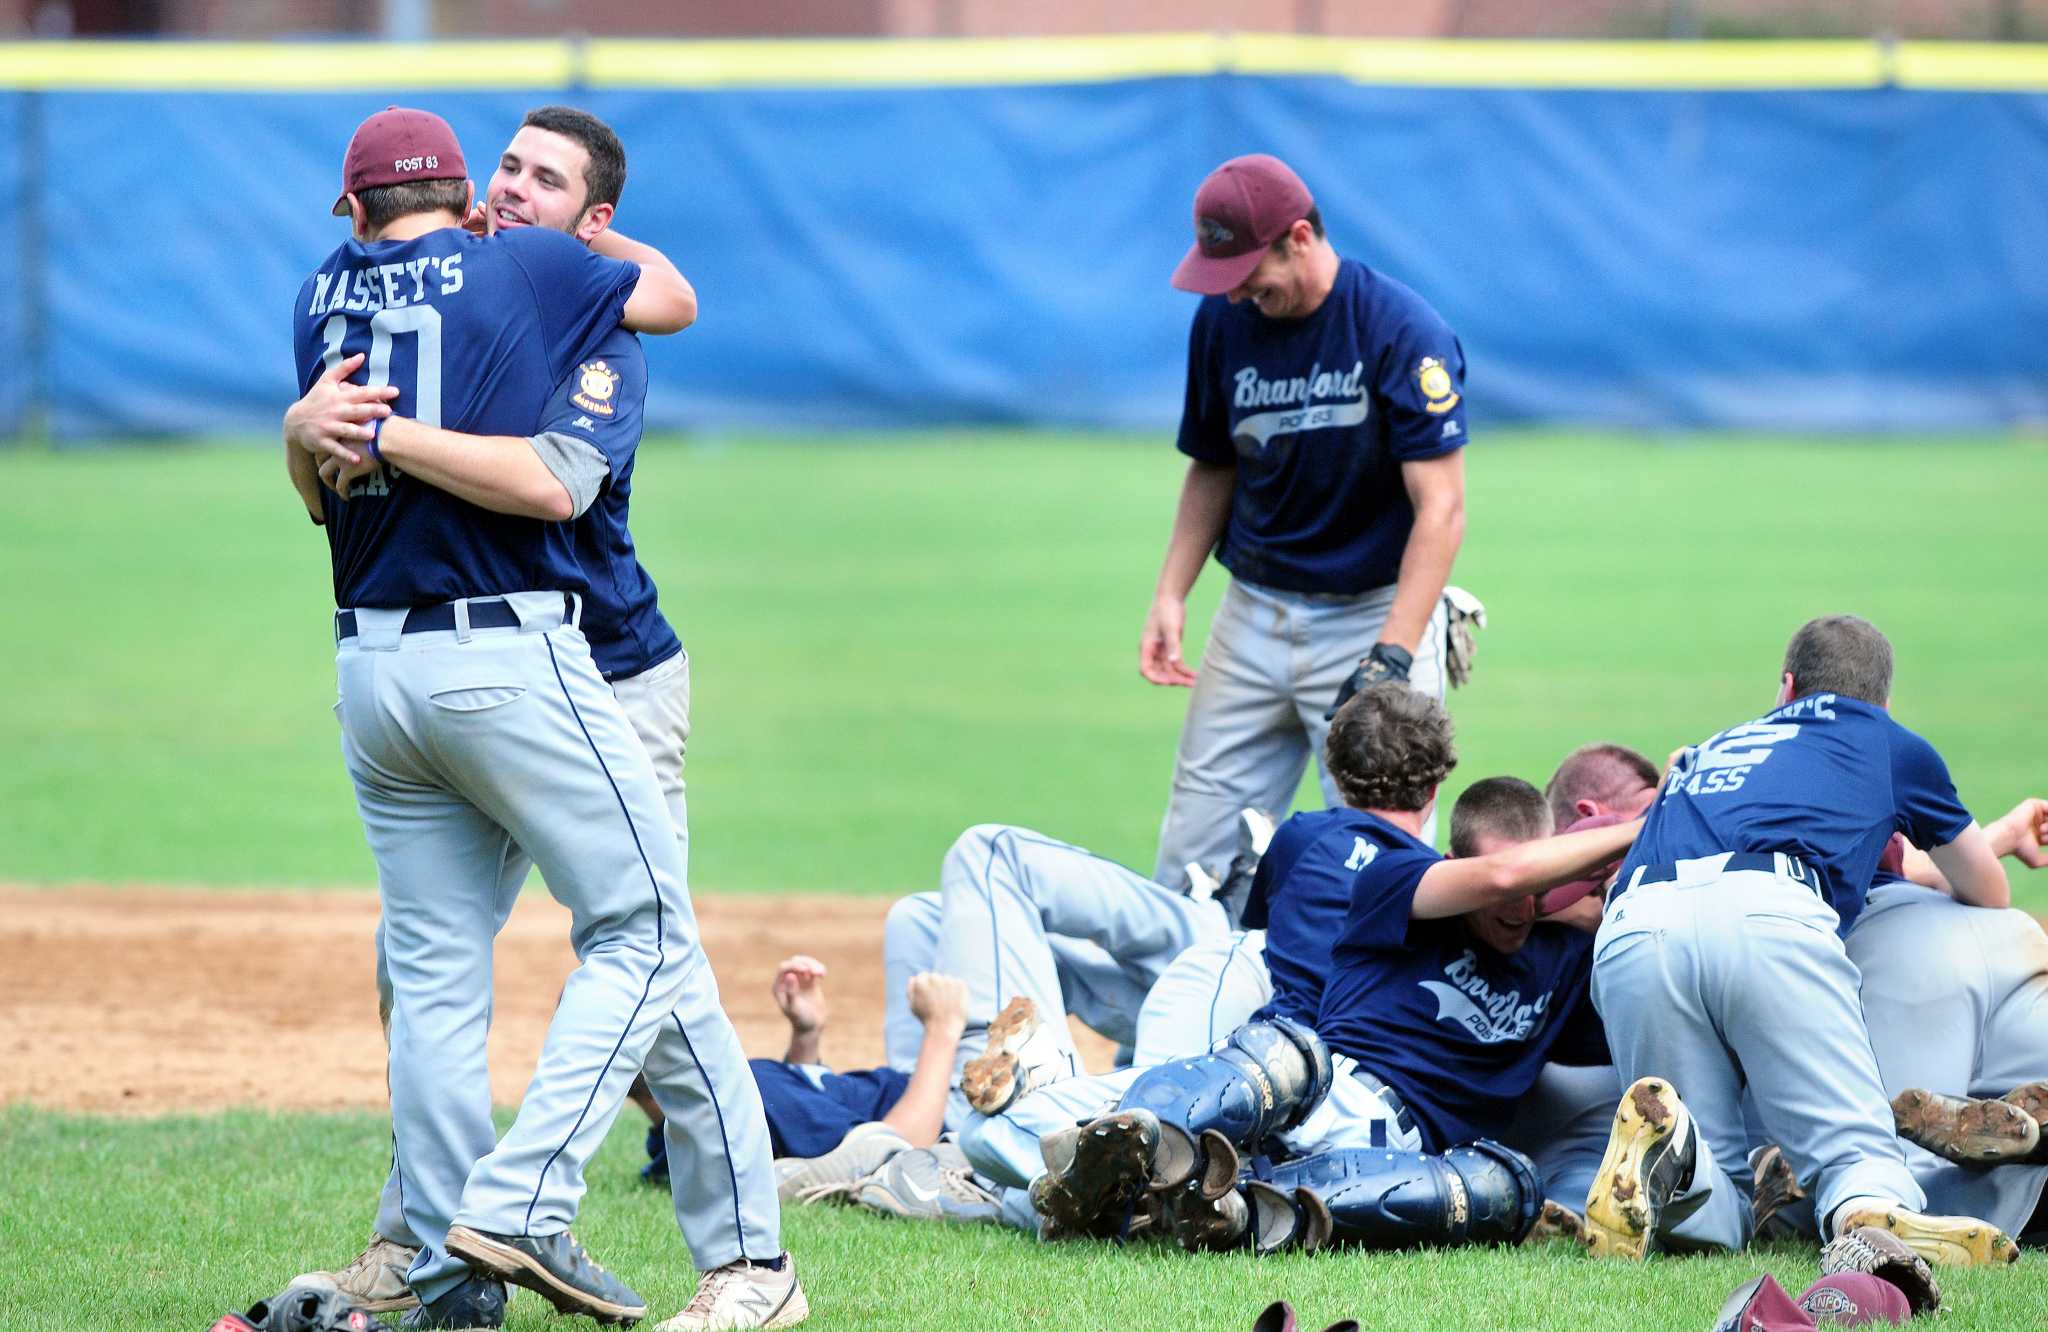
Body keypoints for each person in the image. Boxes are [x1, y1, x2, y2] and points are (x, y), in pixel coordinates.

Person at [288, 107, 803, 1331]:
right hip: (496, 666)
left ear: (596, 222)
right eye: (505, 166)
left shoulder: (589, 315)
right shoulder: (485, 280)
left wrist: (367, 433)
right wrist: (302, 432)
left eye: (546, 178)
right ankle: (438, 1242)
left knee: (649, 966)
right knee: (433, 975)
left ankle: (739, 1267)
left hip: (609, 673)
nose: (517, 188)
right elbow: (322, 481)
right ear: (469, 185)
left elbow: (557, 478)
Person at [958, 687, 1640, 1252]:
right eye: (1496, 890)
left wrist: (1591, 902)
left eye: (1532, 895)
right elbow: (1502, 873)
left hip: (1386, 1152)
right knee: (983, 1134)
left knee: (1501, 1186)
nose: (1513, 906)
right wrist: (1642, 824)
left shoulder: (1572, 962)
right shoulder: (1402, 880)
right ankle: (1151, 1144)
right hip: (1302, 1085)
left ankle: (1205, 1206)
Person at [1583, 615, 2015, 1268]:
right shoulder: (1889, 741)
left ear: (1785, 688)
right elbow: (1986, 889)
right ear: (1883, 701)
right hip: (1769, 913)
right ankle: (1870, 1208)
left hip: (1635, 923)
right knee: (1852, 1151)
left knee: (1723, 1190)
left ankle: (1678, 1155)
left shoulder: (1713, 747)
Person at [1143, 153, 1468, 888]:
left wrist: (1393, 652)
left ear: (1297, 236)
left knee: (1382, 863)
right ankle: (1196, 1002)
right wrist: (1171, 591)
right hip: (1253, 613)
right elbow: (1214, 464)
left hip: (1375, 614)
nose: (1236, 295)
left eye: (1248, 273)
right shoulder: (1225, 323)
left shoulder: (1399, 329)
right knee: (1192, 862)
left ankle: (1370, 1008)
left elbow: (1441, 510)